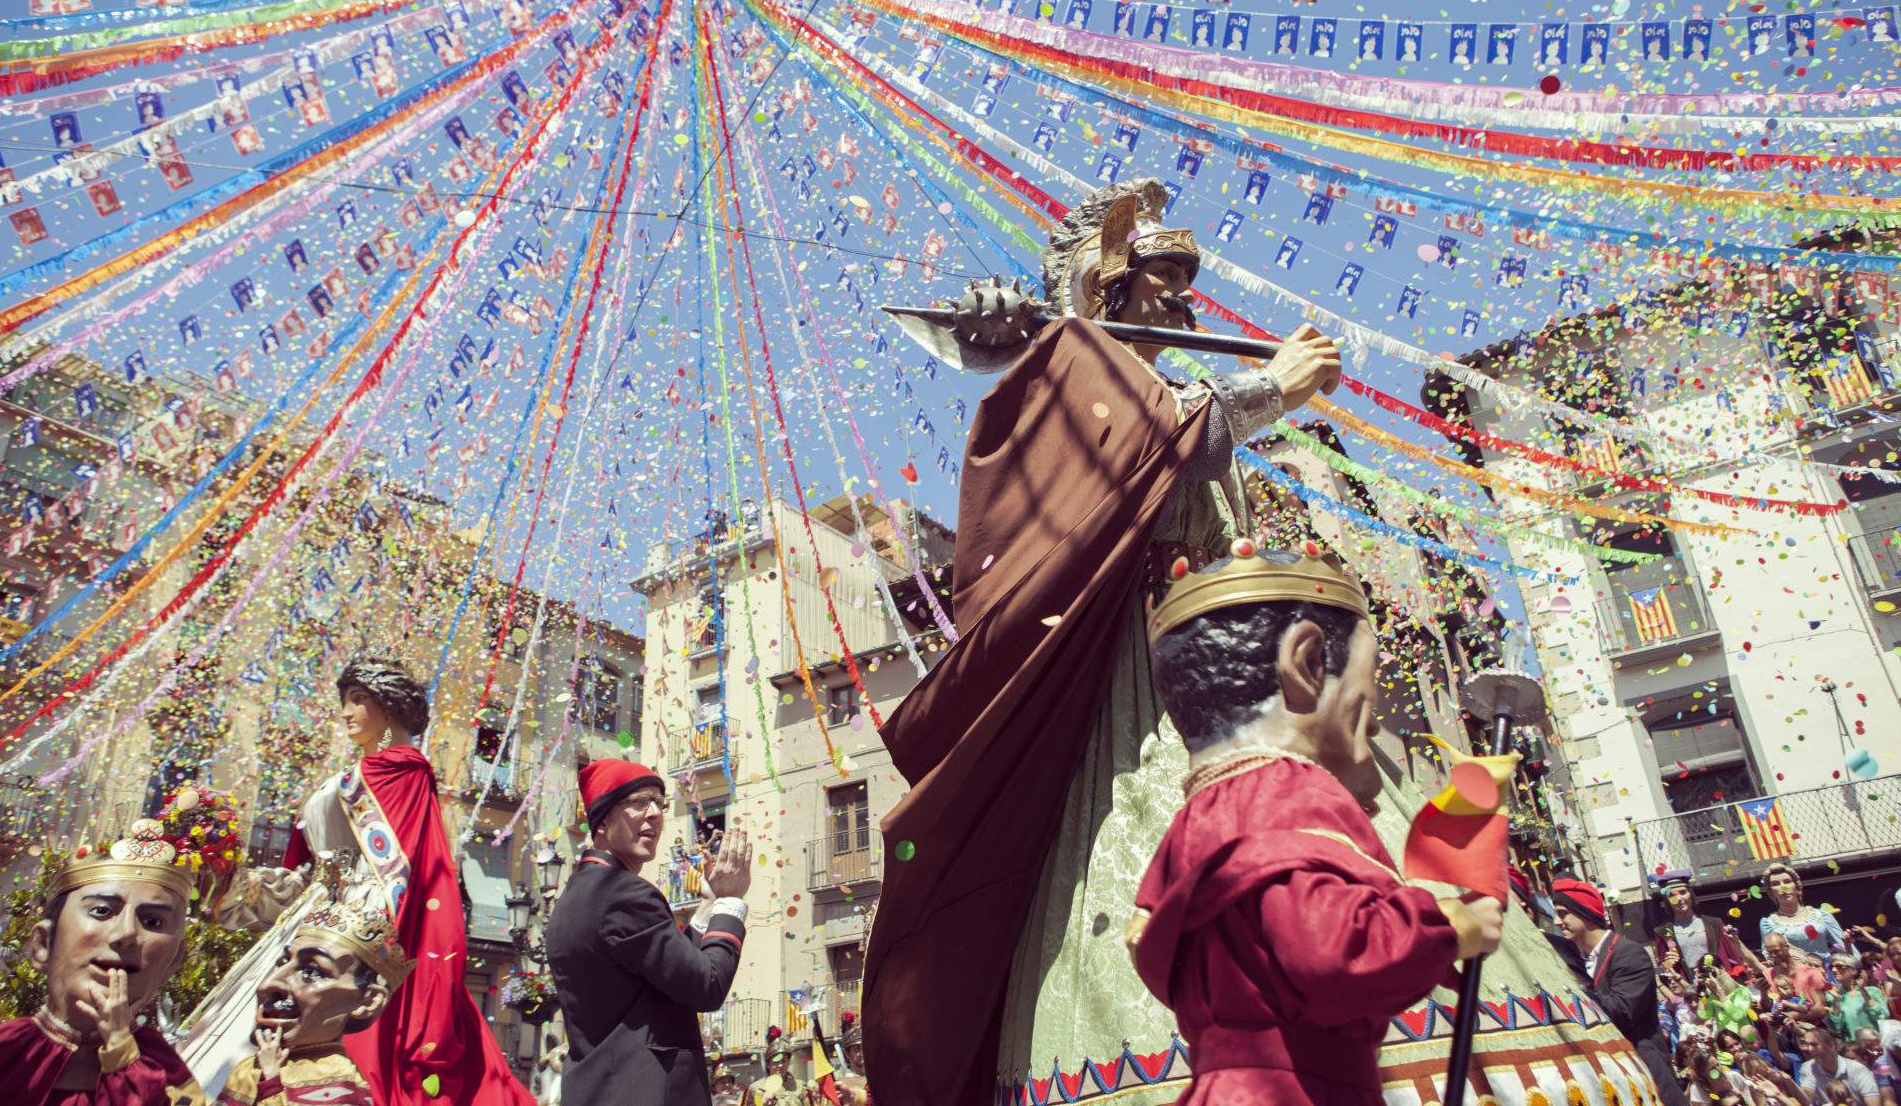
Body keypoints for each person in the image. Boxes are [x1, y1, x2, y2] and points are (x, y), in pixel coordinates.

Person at [859, 178, 1344, 1106]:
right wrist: (1265, 390)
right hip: (1134, 695)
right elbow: (1150, 456)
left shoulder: (1155, 387)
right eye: (1157, 276)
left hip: (1227, 685)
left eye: (1184, 279)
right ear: (1103, 288)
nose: (1180, 297)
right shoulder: (1075, 382)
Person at [1127, 544, 1505, 1106]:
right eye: (1369, 681)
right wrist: (1451, 926)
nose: (1373, 722)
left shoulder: (1199, 818)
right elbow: (1328, 951)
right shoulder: (1287, 793)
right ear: (1305, 663)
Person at [178, 657, 534, 1106]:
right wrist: (231, 876)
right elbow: (308, 880)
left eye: (358, 699)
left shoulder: (403, 773)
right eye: (344, 700)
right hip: (306, 934)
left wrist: (349, 951)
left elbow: (396, 883)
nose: (346, 711)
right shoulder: (345, 781)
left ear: (389, 707)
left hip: (352, 949)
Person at [546, 759, 753, 1106]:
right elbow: (706, 986)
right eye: (639, 802)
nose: (656, 814)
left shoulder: (579, 893)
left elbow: (668, 974)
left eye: (660, 803)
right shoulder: (623, 893)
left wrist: (708, 906)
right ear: (603, 819)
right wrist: (731, 902)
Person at [0, 818, 205, 1105]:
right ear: (42, 945)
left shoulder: (164, 1074)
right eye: (101, 911)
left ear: (173, 962)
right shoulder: (1, 1053)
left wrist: (121, 1050)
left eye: (152, 921)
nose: (126, 933)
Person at [215, 888, 411, 1106]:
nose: (267, 985)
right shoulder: (250, 1067)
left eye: (311, 972)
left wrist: (271, 1081)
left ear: (368, 1001)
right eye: (282, 963)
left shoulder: (340, 1083)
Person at [1551, 878, 1693, 1106]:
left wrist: (1575, 983)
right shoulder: (1580, 960)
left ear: (1584, 913)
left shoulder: (1629, 954)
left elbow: (1621, 1013)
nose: (1557, 922)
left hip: (1644, 1071)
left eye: (1563, 913)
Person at [1656, 880, 1748, 974]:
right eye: (1672, 895)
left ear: (1691, 894)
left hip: (1719, 981)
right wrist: (1667, 964)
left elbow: (1733, 958)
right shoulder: (1663, 931)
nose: (1679, 898)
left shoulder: (1714, 924)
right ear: (1667, 900)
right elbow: (1661, 970)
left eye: (1683, 893)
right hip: (1688, 985)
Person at [1760, 864, 1848, 961]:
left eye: (1787, 882)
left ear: (1796, 886)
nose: (1783, 887)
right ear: (1770, 891)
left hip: (1825, 971)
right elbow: (1769, 957)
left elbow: (1843, 947)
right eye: (1775, 884)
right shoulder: (1768, 924)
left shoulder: (1822, 915)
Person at [1799, 1024, 1882, 1106]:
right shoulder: (1809, 1067)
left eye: (1814, 1045)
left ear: (1831, 1046)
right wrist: (1788, 1081)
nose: (1809, 1049)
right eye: (1807, 1045)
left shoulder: (1858, 1069)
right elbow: (1806, 1098)